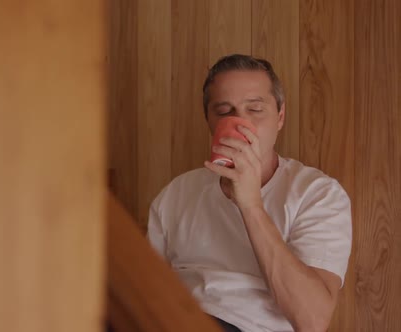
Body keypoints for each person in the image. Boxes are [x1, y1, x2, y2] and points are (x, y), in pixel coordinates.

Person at [147, 54, 352, 332]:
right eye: (223, 111)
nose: (240, 123)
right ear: (208, 120)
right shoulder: (176, 194)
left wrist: (251, 204)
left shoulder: (317, 194)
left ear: (280, 117)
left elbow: (312, 321)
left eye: (255, 109)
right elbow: (143, 288)